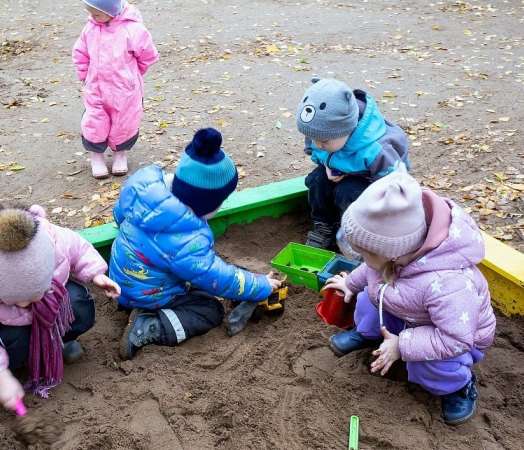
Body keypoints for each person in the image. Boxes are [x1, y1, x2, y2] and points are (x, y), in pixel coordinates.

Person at [321, 166, 496, 424]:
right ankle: (368, 336)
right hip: (408, 311)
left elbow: (456, 339)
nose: (362, 260)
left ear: (391, 254)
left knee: (427, 364)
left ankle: (457, 385)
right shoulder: (392, 255)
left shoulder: (450, 284)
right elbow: (371, 272)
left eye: (365, 254)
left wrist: (402, 346)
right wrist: (352, 285)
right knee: (367, 298)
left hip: (450, 337)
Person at [109, 127, 282, 360]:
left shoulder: (145, 193)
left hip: (121, 276)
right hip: (148, 294)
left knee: (194, 278)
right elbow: (217, 278)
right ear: (205, 204)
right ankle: (150, 324)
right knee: (210, 309)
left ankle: (141, 306)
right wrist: (260, 286)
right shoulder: (186, 239)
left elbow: (119, 215)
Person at [0, 205, 120, 411]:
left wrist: (96, 274)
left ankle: (57, 342)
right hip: (1, 322)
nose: (23, 305)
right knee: (14, 338)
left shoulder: (52, 241)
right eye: (12, 300)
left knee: (78, 303)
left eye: (31, 297)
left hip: (44, 302)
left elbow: (78, 249)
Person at [296, 77, 410, 250]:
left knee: (347, 191)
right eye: (313, 139)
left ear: (347, 130)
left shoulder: (377, 150)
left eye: (324, 142)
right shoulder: (321, 131)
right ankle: (324, 226)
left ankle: (354, 232)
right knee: (317, 180)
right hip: (340, 170)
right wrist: (327, 166)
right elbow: (318, 152)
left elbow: (394, 187)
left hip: (374, 181)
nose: (317, 145)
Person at [72, 0, 159, 178]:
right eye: (91, 13)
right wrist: (83, 74)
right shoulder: (91, 28)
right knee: (95, 120)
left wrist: (132, 74)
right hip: (95, 87)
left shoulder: (133, 29)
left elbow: (147, 54)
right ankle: (96, 156)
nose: (92, 17)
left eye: (96, 14)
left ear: (111, 11)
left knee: (124, 121)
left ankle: (120, 154)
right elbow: (81, 52)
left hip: (124, 89)